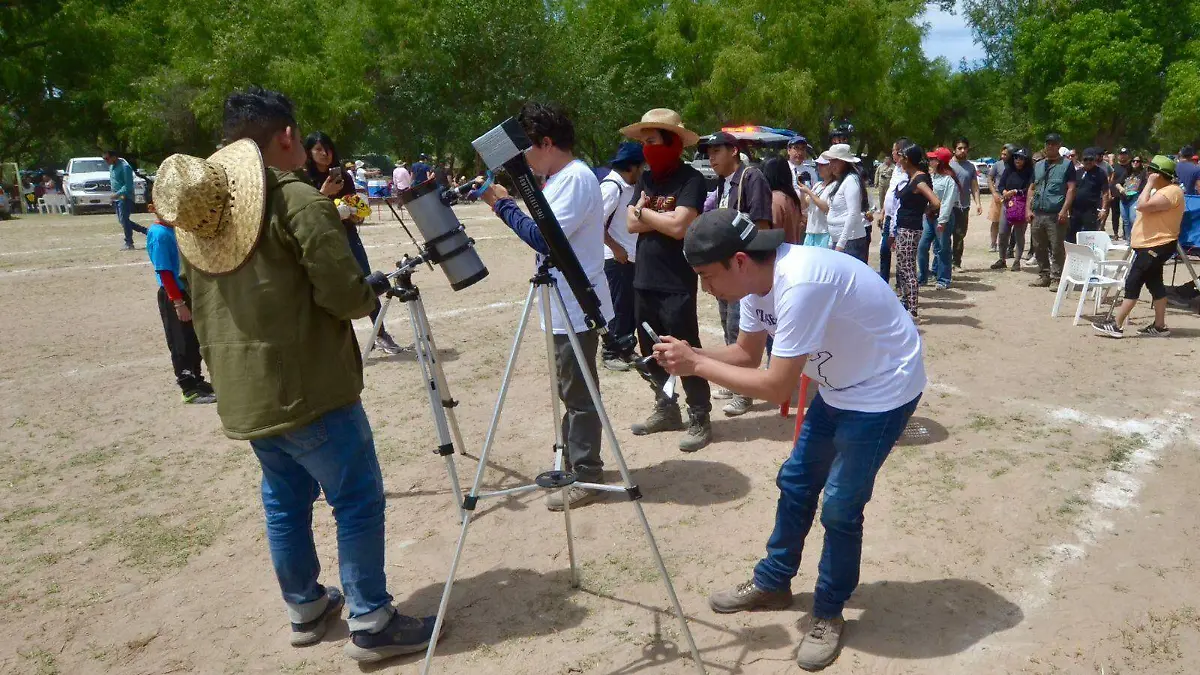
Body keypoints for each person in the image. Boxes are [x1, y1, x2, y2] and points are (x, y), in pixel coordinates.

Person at [160, 86, 441, 662]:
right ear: (286, 135)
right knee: (356, 498)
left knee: (285, 500)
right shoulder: (297, 201)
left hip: (245, 393)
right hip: (310, 389)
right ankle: (371, 620)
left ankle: (307, 605)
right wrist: (371, 293)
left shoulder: (204, 214)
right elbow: (342, 294)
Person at [653, 208, 924, 672]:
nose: (706, 289)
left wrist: (696, 366)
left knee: (840, 505)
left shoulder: (799, 283)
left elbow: (777, 387)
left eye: (707, 277)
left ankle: (828, 610)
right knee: (796, 481)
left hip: (883, 389)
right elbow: (745, 353)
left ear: (739, 260)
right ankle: (774, 582)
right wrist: (690, 353)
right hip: (839, 385)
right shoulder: (757, 281)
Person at [480, 102, 614, 509]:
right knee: (569, 388)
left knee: (579, 392)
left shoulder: (574, 178)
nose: (524, 160)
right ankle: (575, 460)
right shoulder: (557, 179)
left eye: (527, 151)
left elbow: (544, 237)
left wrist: (501, 204)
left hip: (576, 304)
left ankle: (586, 474)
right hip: (561, 302)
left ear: (547, 143)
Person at [620, 108, 712, 452]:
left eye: (652, 141)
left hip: (676, 280)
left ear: (672, 142)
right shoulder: (646, 179)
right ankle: (666, 407)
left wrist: (645, 213)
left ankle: (700, 415)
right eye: (643, 142)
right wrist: (654, 216)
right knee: (651, 351)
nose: (646, 148)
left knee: (684, 350)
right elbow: (630, 223)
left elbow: (680, 227)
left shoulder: (691, 180)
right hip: (644, 277)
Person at [304, 132, 406, 356]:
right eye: (319, 149)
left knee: (365, 280)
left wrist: (355, 213)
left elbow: (354, 208)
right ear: (309, 153)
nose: (325, 153)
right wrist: (324, 195)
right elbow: (306, 213)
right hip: (321, 240)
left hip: (347, 234)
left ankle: (381, 333)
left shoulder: (345, 177)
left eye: (328, 148)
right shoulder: (304, 179)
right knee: (325, 287)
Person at [707, 130, 773, 418]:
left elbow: (761, 225)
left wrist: (748, 267)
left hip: (742, 267)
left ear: (733, 151)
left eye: (716, 152)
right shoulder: (725, 184)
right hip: (725, 267)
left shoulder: (751, 177)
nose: (711, 158)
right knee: (727, 325)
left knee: (740, 328)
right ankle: (734, 381)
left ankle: (744, 391)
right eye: (708, 153)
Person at [1093, 155, 1186, 338]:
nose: (1148, 173)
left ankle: (1116, 324)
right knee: (1155, 284)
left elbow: (1141, 206)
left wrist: (1149, 184)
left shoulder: (1171, 192)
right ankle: (1160, 326)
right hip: (1149, 244)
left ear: (1159, 174)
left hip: (1157, 245)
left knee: (1134, 281)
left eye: (1151, 171)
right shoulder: (1162, 190)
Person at [144, 182, 217, 405]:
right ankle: (188, 387)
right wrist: (178, 303)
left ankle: (198, 379)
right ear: (152, 207)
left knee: (193, 339)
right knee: (180, 341)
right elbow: (165, 272)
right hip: (173, 294)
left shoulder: (175, 230)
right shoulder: (159, 234)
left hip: (186, 292)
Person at [598, 141, 645, 371]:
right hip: (615, 260)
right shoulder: (611, 188)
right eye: (641, 167)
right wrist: (615, 247)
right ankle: (610, 352)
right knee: (617, 307)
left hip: (630, 258)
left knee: (630, 307)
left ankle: (626, 347)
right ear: (632, 167)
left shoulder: (628, 186)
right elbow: (594, 224)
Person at [894, 144, 940, 321]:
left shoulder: (919, 180)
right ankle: (906, 303)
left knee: (908, 269)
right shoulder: (913, 176)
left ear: (908, 159)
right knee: (902, 267)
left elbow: (936, 202)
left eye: (902, 157)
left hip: (910, 228)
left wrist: (927, 210)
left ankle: (913, 310)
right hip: (905, 227)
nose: (899, 160)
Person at [1027, 133, 1077, 288]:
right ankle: (1044, 275)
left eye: (1053, 144)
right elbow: (1032, 188)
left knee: (1056, 247)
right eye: (1048, 143)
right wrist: (1027, 209)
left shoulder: (1067, 165)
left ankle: (1056, 278)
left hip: (1055, 213)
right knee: (1038, 246)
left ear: (1059, 146)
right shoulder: (1038, 165)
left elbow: (1071, 189)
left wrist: (1064, 210)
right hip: (1037, 213)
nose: (1050, 146)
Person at [918, 147, 959, 290]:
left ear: (939, 162)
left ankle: (943, 279)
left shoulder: (949, 180)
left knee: (943, 248)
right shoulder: (930, 176)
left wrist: (942, 221)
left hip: (942, 217)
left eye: (933, 159)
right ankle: (923, 276)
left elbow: (948, 202)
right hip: (929, 216)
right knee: (922, 246)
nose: (930, 161)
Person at [820, 144, 869, 263]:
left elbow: (853, 213)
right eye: (830, 161)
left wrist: (840, 244)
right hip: (843, 240)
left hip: (850, 241)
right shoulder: (841, 181)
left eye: (835, 161)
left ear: (844, 162)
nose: (831, 165)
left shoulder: (851, 180)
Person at [990, 147, 1034, 271]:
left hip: (1022, 205)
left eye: (1020, 158)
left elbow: (1031, 188)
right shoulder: (1009, 170)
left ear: (1026, 160)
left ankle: (1017, 261)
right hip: (1007, 204)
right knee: (1003, 232)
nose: (1017, 160)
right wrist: (1004, 191)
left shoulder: (1030, 172)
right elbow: (1001, 184)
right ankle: (1002, 259)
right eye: (1015, 157)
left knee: (1019, 233)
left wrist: (1016, 191)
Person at [879, 138, 913, 284]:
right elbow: (890, 193)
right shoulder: (896, 169)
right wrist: (883, 211)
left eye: (894, 150)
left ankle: (901, 284)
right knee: (884, 251)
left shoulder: (909, 172)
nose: (892, 153)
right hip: (888, 216)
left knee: (901, 254)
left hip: (900, 219)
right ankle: (883, 282)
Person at [104, 150, 148, 250]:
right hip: (117, 198)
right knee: (123, 221)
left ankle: (129, 242)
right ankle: (146, 231)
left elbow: (128, 186)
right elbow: (115, 183)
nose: (106, 161)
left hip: (125, 197)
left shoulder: (125, 167)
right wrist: (113, 197)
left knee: (124, 219)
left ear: (114, 157)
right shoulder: (111, 167)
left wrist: (117, 194)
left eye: (107, 158)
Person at [949, 138, 982, 268]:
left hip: (963, 206)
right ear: (954, 149)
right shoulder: (947, 164)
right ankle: (943, 265)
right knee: (944, 236)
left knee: (959, 235)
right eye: (959, 148)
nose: (962, 151)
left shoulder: (970, 167)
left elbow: (974, 186)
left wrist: (978, 203)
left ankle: (956, 263)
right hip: (949, 206)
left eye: (965, 148)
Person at [1066, 148, 1110, 243]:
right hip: (1075, 209)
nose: (1088, 162)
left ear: (1094, 160)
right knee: (1071, 235)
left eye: (1091, 159)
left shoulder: (1100, 173)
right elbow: (1071, 190)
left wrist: (1103, 209)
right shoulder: (1077, 172)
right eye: (1086, 159)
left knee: (1089, 236)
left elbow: (1105, 192)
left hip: (1091, 210)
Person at [762, 157, 806, 244]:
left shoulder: (774, 199)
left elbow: (772, 233)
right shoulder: (792, 198)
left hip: (780, 252)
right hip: (793, 249)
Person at [797, 159, 835, 249]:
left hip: (824, 232)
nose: (819, 168)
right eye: (818, 165)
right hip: (810, 230)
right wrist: (802, 191)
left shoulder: (834, 185)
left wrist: (809, 192)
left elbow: (827, 208)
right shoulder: (817, 185)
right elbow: (805, 205)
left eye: (823, 165)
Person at [987, 145, 1013, 253]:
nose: (1003, 156)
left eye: (1005, 154)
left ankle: (1007, 245)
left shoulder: (1014, 165)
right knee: (995, 221)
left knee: (1009, 222)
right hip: (998, 196)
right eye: (1001, 154)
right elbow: (989, 178)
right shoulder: (997, 165)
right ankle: (993, 243)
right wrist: (993, 193)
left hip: (1010, 197)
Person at [1115, 156, 1147, 242]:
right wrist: (1121, 189)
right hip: (1124, 198)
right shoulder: (1127, 172)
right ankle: (1128, 240)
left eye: (1138, 161)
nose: (1135, 163)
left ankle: (1135, 239)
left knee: (1133, 219)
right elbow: (1117, 183)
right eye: (1133, 161)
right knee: (1126, 220)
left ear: (1141, 163)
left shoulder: (1143, 173)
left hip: (1135, 198)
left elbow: (1144, 186)